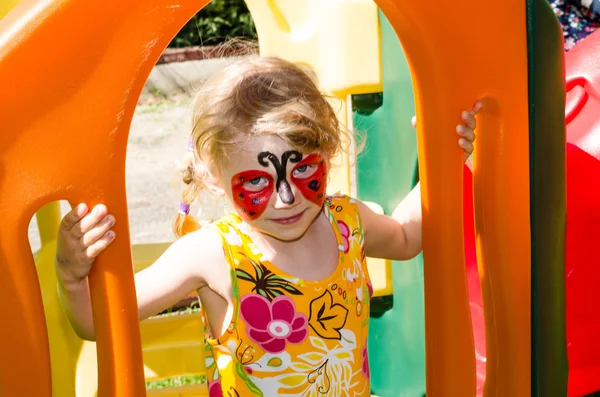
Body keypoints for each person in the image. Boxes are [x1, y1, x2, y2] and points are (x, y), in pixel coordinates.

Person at [55, 56, 482, 396]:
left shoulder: (345, 222)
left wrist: (442, 161)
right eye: (257, 182)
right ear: (212, 177)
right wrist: (71, 275)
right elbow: (97, 322)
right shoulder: (213, 253)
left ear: (328, 152)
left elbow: (407, 238)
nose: (286, 198)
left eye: (304, 171)